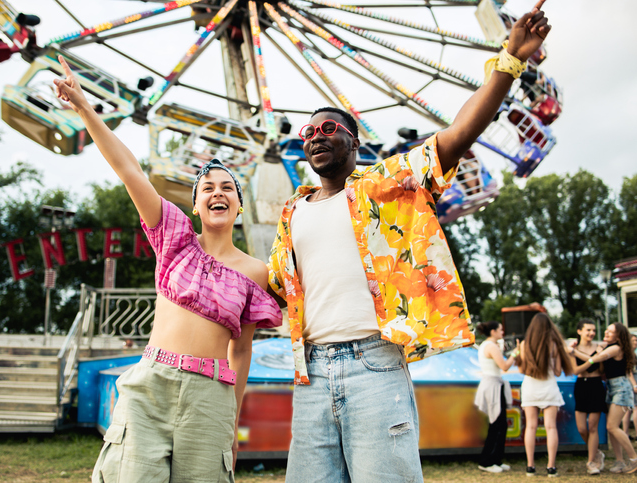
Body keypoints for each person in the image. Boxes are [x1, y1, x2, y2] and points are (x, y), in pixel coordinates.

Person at [267, 2, 552, 481]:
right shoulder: (292, 211)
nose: (316, 136)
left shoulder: (386, 183)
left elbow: (460, 133)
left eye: (329, 128)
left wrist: (509, 60)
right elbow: (274, 283)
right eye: (309, 131)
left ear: (355, 143)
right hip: (310, 373)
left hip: (373, 364)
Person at [53, 57, 282, 482]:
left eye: (227, 188)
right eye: (207, 189)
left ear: (239, 204)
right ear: (194, 205)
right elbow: (128, 169)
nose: (218, 193)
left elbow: (242, 349)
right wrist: (85, 108)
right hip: (151, 384)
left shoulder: (257, 272)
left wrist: (232, 420)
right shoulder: (173, 236)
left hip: (212, 396)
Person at [571, 323, 637, 474]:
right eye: (606, 330)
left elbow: (594, 359)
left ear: (618, 336)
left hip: (621, 388)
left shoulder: (615, 348)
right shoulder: (609, 346)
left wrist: (574, 351)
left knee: (612, 426)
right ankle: (619, 461)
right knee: (612, 428)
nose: (605, 332)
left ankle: (634, 458)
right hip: (611, 387)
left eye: (610, 331)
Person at [516, 313, 573, 477]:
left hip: (530, 388)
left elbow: (521, 370)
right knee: (551, 427)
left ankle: (530, 466)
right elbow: (556, 372)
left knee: (531, 427)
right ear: (549, 327)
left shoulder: (525, 344)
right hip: (548, 387)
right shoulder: (554, 345)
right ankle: (551, 467)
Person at [474, 321, 519, 474]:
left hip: (494, 385)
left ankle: (496, 460)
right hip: (493, 386)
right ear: (493, 332)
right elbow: (505, 366)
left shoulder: (489, 345)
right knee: (497, 425)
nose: (502, 332)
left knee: (500, 425)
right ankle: (486, 461)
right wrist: (515, 353)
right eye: (500, 330)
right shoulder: (491, 346)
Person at [569, 319, 606, 475]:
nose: (591, 333)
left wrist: (599, 356)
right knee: (582, 428)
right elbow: (575, 370)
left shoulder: (600, 348)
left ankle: (591, 462)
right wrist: (592, 359)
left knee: (592, 427)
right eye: (588, 330)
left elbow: (602, 368)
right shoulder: (573, 349)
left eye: (593, 330)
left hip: (596, 385)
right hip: (581, 385)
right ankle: (597, 452)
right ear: (579, 332)